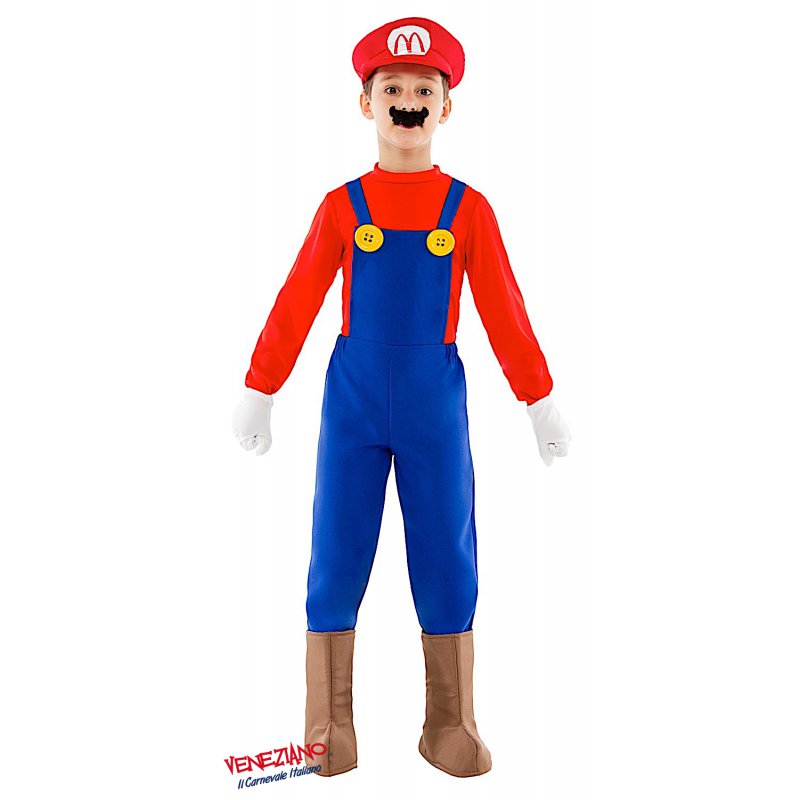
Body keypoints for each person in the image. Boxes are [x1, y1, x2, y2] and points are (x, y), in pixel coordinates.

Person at [232, 16, 572, 778]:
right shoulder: (341, 206)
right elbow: (298, 298)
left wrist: (539, 401)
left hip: (434, 408)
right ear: (366, 104)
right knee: (337, 548)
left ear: (446, 106)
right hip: (351, 402)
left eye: (424, 88)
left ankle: (450, 722)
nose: (407, 101)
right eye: (392, 89)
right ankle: (327, 727)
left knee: (447, 550)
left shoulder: (469, 209)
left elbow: (504, 310)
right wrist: (262, 386)